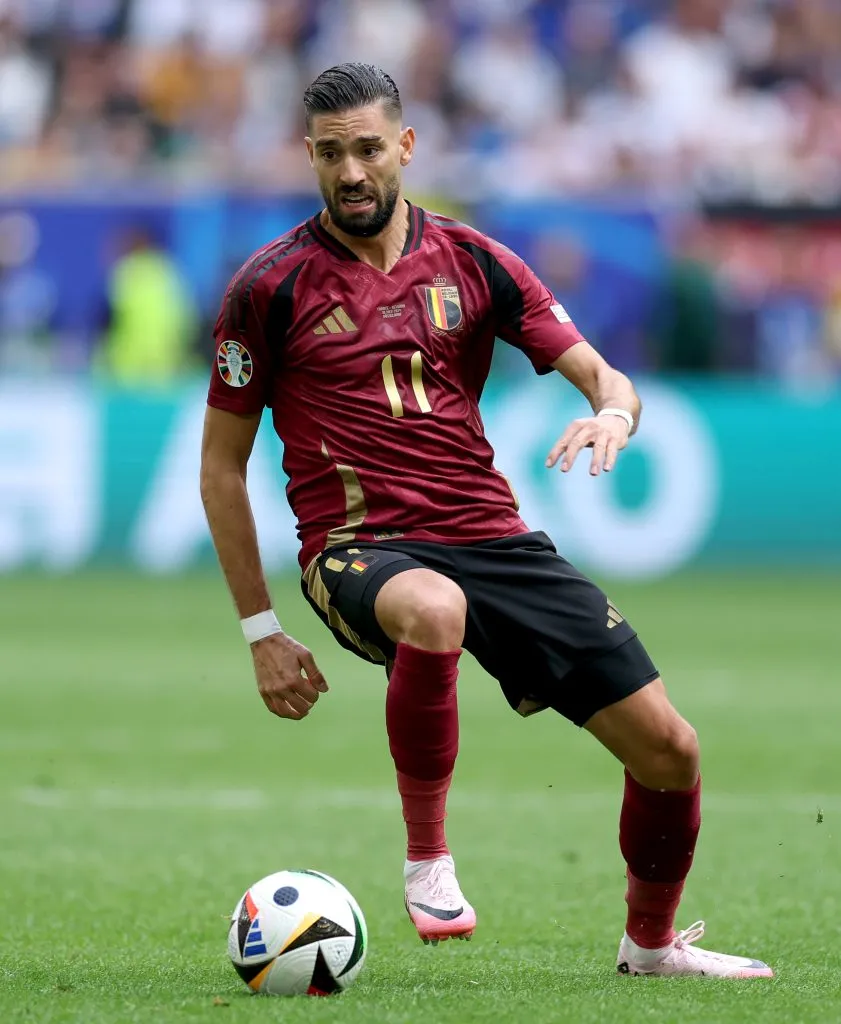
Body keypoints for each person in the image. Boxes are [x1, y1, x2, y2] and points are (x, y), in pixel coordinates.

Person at [200, 63, 772, 979]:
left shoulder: (473, 260)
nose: (352, 172)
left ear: (406, 147)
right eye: (331, 153)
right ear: (308, 155)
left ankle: (651, 948)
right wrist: (260, 629)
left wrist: (613, 415)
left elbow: (602, 376)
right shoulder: (267, 288)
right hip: (357, 549)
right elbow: (221, 468)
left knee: (670, 750)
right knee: (432, 609)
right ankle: (428, 859)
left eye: (369, 149)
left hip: (491, 540)